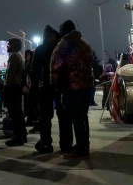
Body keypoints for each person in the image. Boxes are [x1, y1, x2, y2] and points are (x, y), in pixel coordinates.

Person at [51, 19, 94, 159]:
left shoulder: (64, 45)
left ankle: (80, 149)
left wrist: (56, 84)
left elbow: (55, 66)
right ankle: (85, 145)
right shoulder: (85, 44)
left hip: (71, 87)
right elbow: (91, 61)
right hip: (86, 86)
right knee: (83, 117)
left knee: (76, 119)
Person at [30, 24, 71, 154]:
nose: (51, 38)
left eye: (53, 35)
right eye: (49, 36)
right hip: (45, 87)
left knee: (63, 116)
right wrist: (40, 78)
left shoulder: (59, 48)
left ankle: (65, 144)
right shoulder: (40, 49)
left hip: (59, 86)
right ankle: (46, 142)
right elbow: (33, 68)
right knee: (45, 117)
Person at [4, 37, 27, 146]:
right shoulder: (20, 56)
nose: (7, 46)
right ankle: (22, 135)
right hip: (17, 87)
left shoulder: (13, 56)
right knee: (19, 113)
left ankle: (17, 137)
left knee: (14, 114)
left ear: (13, 45)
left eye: (9, 44)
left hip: (12, 88)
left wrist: (6, 87)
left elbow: (10, 74)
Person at [23, 49, 40, 131]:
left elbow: (33, 75)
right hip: (31, 86)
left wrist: (30, 84)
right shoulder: (28, 64)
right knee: (31, 105)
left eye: (26, 55)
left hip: (34, 87)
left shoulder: (32, 64)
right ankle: (34, 122)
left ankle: (37, 123)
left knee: (32, 105)